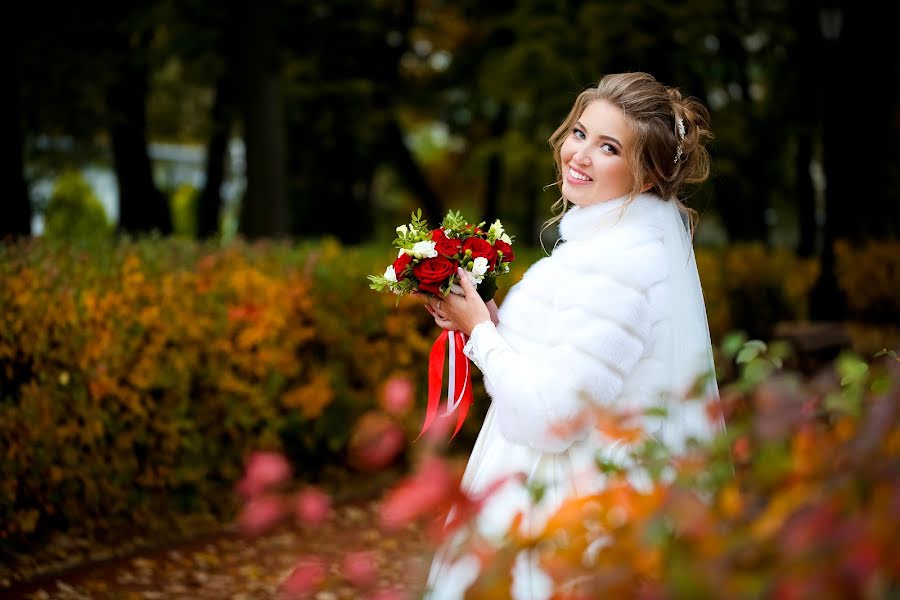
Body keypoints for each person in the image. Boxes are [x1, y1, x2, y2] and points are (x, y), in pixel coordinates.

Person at [422, 72, 723, 599]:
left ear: (647, 175)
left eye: (608, 147)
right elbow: (560, 362)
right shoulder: (602, 243)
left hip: (562, 497)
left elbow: (554, 413)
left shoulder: (620, 263)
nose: (578, 154)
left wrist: (482, 334)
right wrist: (482, 316)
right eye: (580, 133)